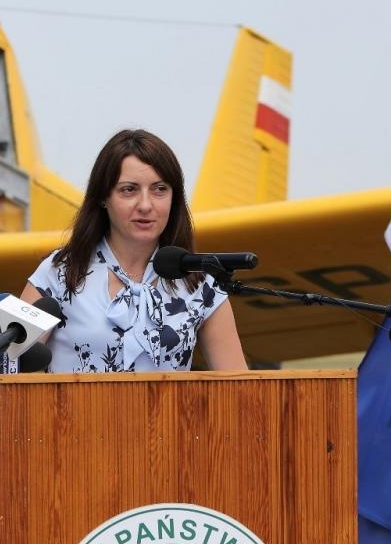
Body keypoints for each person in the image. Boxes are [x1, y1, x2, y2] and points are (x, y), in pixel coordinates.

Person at [22, 128, 247, 372]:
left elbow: (240, 388)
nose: (145, 205)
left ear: (174, 198)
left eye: (159, 189)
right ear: (103, 197)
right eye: (129, 189)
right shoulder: (58, 273)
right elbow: (8, 371)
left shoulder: (201, 285)